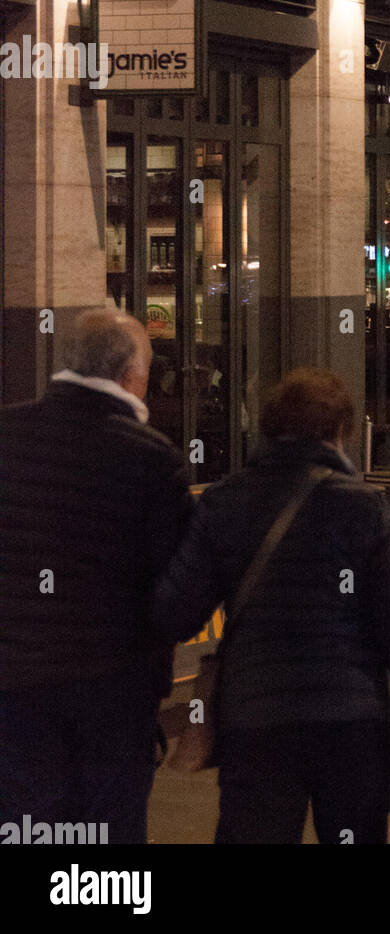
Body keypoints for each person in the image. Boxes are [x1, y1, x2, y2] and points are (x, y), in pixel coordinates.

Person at [151, 368, 390, 844]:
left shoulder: (225, 501)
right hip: (351, 719)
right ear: (341, 431)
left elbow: (176, 613)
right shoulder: (366, 508)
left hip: (256, 720)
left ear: (269, 429)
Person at [0, 309, 190, 844]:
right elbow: (174, 588)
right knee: (109, 833)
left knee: (26, 824)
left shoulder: (6, 436)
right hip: (116, 686)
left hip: (14, 683)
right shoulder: (153, 459)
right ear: (132, 375)